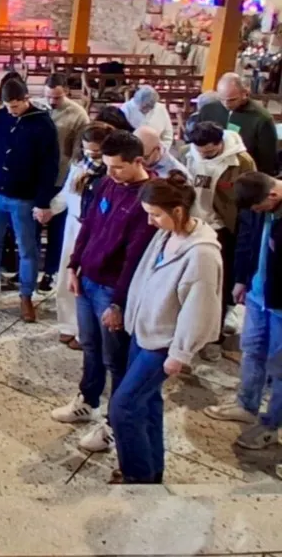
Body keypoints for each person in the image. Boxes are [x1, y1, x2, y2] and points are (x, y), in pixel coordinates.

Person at [50, 130, 158, 453]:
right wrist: (74, 265)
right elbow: (90, 224)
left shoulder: (147, 197)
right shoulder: (109, 182)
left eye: (118, 167)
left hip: (112, 289)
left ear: (138, 161)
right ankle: (88, 400)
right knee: (90, 346)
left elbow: (134, 257)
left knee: (116, 359)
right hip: (88, 278)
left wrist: (118, 302)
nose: (110, 173)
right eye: (107, 165)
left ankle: (114, 423)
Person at [112, 174, 223, 484]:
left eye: (155, 214)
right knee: (147, 403)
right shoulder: (164, 234)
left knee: (123, 406)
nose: (150, 222)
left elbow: (200, 307)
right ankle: (152, 470)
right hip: (143, 331)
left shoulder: (202, 253)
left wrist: (181, 352)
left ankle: (137, 476)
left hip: (163, 343)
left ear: (178, 211)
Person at [0, 78, 59, 322]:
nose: (11, 111)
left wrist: (42, 201)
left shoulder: (43, 125)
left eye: (15, 106)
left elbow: (49, 167)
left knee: (27, 249)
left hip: (24, 198)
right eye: (7, 106)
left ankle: (26, 295)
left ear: (26, 99)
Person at [204, 171, 282, 450]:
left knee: (280, 367)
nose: (256, 212)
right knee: (252, 350)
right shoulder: (258, 200)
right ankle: (246, 404)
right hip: (257, 295)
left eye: (259, 208)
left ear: (272, 196)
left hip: (280, 306)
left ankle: (271, 425)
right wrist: (240, 280)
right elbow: (247, 241)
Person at [37, 122, 115, 351]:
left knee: (86, 283)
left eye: (97, 151)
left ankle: (85, 331)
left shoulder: (111, 172)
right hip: (73, 224)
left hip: (96, 231)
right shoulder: (79, 164)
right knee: (66, 277)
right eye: (88, 149)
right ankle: (68, 324)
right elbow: (67, 193)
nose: (92, 154)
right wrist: (50, 209)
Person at [185, 122, 255, 362]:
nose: (202, 154)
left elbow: (247, 199)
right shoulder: (189, 153)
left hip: (222, 227)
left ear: (219, 142)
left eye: (208, 151)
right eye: (199, 151)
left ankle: (214, 337)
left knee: (219, 284)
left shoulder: (241, 161)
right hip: (192, 223)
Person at [42, 73, 90, 292]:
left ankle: (50, 272)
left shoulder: (78, 115)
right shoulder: (38, 108)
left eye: (57, 97)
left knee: (57, 230)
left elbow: (79, 152)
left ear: (66, 92)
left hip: (61, 177)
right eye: (49, 96)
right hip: (38, 176)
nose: (52, 101)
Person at [197, 73, 278, 175]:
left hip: (245, 172)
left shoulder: (261, 118)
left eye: (232, 100)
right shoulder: (208, 110)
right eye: (222, 99)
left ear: (245, 94)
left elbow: (267, 158)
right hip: (210, 168)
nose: (226, 104)